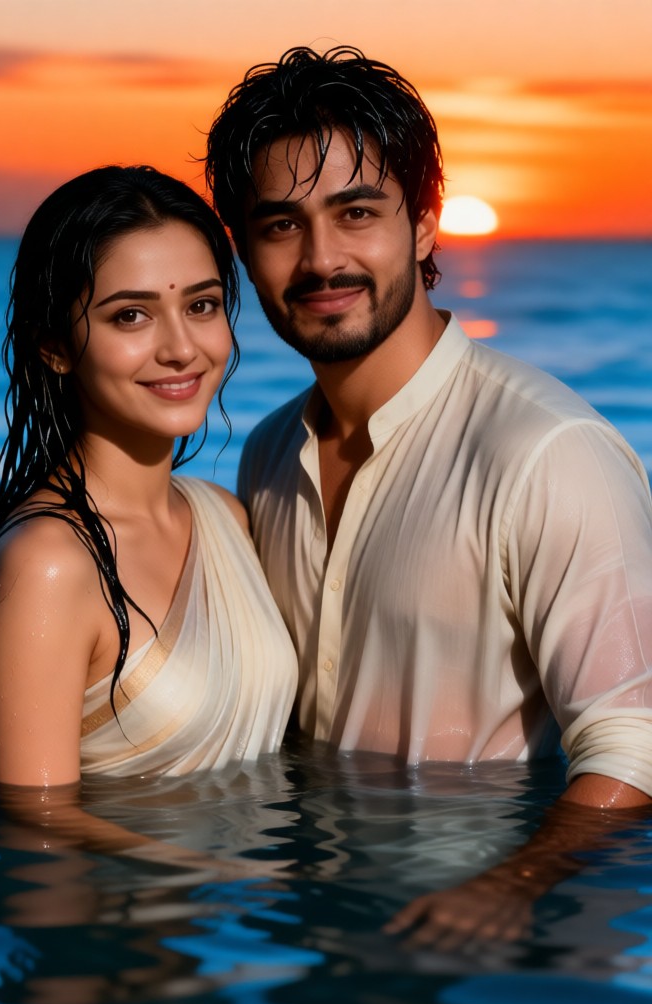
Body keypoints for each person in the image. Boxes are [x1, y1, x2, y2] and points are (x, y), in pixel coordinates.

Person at [204, 46, 652, 935]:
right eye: (281, 225)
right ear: (244, 252)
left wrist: (509, 888)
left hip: (500, 944)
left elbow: (635, 747)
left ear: (424, 224)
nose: (322, 259)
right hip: (319, 922)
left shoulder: (548, 452)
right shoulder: (264, 456)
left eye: (357, 211)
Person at [0, 165, 297, 790]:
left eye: (201, 305)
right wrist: (221, 881)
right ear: (53, 346)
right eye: (131, 316)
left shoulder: (227, 516)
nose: (181, 348)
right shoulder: (47, 562)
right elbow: (39, 829)